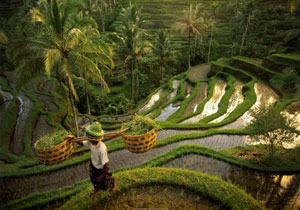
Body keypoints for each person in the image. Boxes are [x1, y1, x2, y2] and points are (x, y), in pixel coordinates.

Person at [68, 122, 117, 199]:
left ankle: (114, 184)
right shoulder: (91, 142)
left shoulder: (102, 148)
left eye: (89, 138)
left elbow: (105, 164)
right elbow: (82, 143)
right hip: (93, 164)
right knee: (94, 179)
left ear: (95, 138)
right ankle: (96, 189)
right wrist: (73, 138)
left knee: (107, 179)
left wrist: (102, 175)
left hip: (102, 168)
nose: (88, 140)